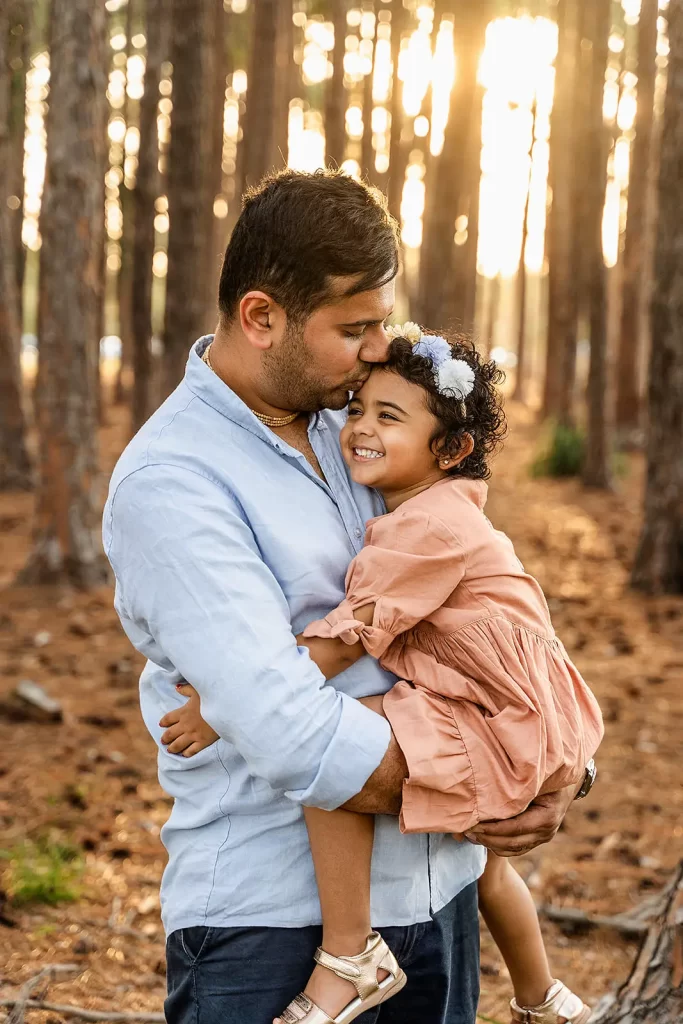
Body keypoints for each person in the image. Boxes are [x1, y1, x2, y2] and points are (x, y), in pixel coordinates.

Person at [104, 170, 595, 1024]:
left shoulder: (365, 424)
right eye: (354, 328)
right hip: (273, 924)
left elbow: (486, 602)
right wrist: (496, 777)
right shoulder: (173, 482)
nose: (377, 350)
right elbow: (292, 732)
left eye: (381, 324)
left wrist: (563, 765)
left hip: (441, 898)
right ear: (262, 318)